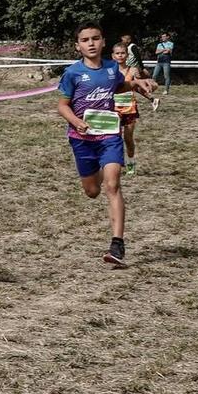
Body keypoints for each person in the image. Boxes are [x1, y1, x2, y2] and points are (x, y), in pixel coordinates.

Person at [55, 24, 133, 267]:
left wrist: (139, 85)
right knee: (92, 191)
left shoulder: (112, 68)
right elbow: (62, 105)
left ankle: (117, 244)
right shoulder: (72, 73)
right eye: (85, 40)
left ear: (103, 42)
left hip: (109, 136)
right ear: (78, 46)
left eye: (95, 38)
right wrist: (76, 122)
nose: (91, 43)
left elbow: (120, 86)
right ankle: (97, 172)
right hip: (82, 139)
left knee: (113, 184)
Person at [112, 41, 154, 176]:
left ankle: (130, 163)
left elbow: (137, 86)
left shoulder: (133, 70)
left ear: (127, 55)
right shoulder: (110, 71)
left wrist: (150, 95)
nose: (120, 56)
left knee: (128, 138)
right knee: (114, 139)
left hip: (130, 109)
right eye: (117, 53)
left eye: (122, 53)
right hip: (113, 109)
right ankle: (116, 164)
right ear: (113, 56)